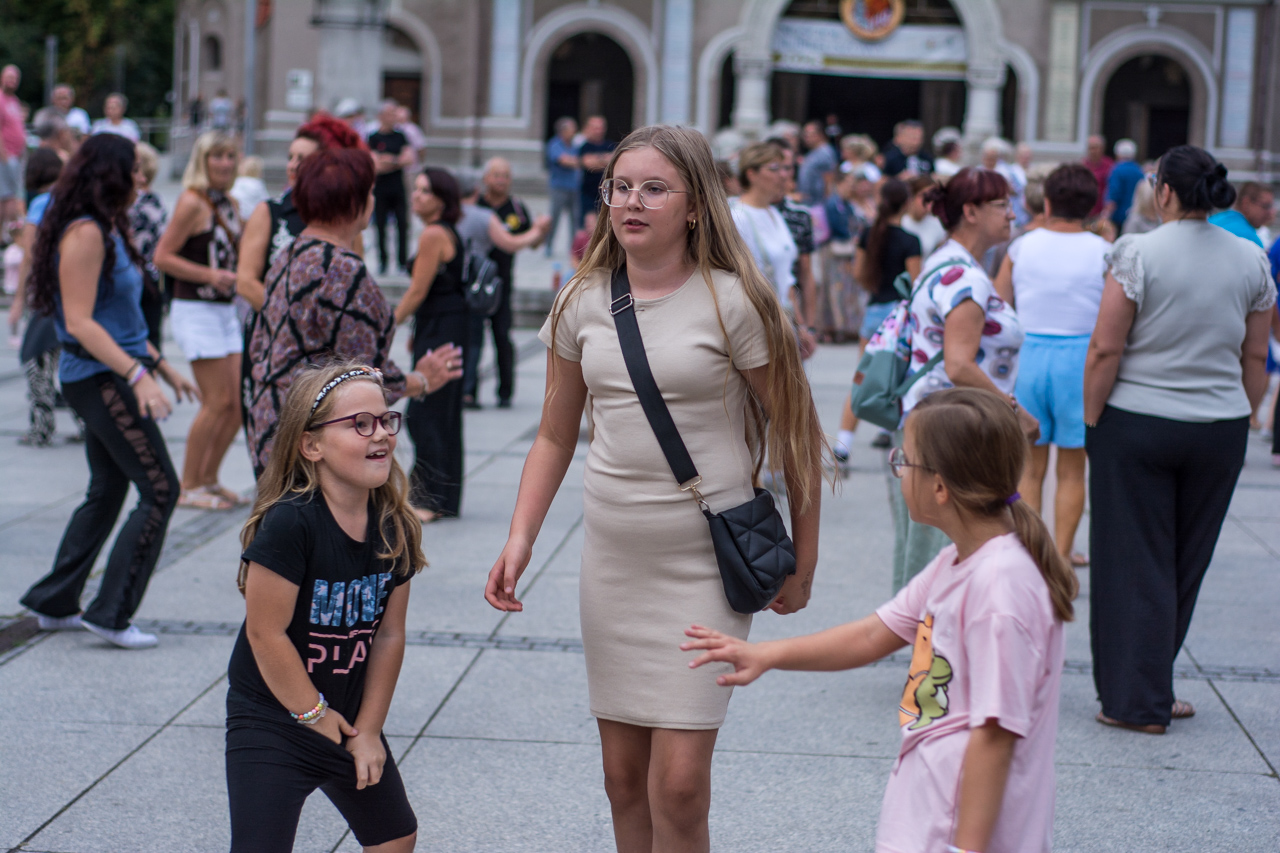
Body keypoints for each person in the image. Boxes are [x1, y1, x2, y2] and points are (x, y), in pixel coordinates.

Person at [486, 124, 825, 853]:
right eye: (621, 186)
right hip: (614, 560)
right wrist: (521, 536)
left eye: (654, 188)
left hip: (706, 558)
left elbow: (797, 434)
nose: (631, 201)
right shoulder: (581, 301)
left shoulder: (735, 301)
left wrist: (807, 556)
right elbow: (552, 434)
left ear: (696, 204)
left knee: (678, 782)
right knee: (621, 774)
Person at [683, 387, 1076, 853]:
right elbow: (875, 633)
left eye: (904, 461)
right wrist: (766, 655)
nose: (898, 470)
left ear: (940, 487)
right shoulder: (958, 563)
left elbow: (994, 737)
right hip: (929, 811)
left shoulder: (1000, 590)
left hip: (962, 832)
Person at [1084, 145, 1275, 734]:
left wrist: (1093, 421)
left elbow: (1106, 348)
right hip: (1216, 427)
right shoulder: (1249, 257)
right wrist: (1242, 416)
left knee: (1129, 560)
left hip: (1138, 419)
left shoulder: (1137, 252)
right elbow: (1254, 355)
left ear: (1163, 191)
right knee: (1183, 561)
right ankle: (1153, 685)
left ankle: (1134, 699)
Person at [226, 362, 421, 853]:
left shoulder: (394, 525)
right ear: (311, 445)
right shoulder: (290, 524)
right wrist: (312, 713)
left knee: (395, 838)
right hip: (274, 718)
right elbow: (263, 634)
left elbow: (389, 635)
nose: (379, 433)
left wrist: (370, 730)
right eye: (359, 424)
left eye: (384, 420)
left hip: (349, 719)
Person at [19, 134, 199, 649]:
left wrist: (161, 365)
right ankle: (111, 613)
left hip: (114, 371)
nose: (143, 179)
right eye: (136, 171)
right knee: (160, 489)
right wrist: (138, 377)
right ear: (111, 176)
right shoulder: (84, 233)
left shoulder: (108, 228)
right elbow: (78, 323)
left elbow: (118, 317)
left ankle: (55, 601)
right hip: (98, 377)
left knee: (109, 489)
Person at [243, 148, 458, 479]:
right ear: (357, 202)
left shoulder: (291, 252)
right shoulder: (341, 270)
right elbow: (362, 377)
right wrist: (422, 380)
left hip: (272, 423)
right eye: (370, 191)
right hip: (313, 440)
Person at [884, 167, 1038, 592]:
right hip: (954, 430)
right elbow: (959, 365)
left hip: (932, 423)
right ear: (970, 211)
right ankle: (936, 646)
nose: (1013, 214)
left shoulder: (944, 261)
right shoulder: (966, 277)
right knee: (946, 548)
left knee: (927, 546)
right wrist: (1016, 413)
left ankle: (926, 642)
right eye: (1002, 205)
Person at [994, 164, 1108, 568]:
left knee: (1031, 465)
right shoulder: (1104, 252)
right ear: (1092, 206)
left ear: (1046, 201)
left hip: (1030, 355)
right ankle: (1061, 555)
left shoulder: (1022, 246)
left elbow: (999, 307)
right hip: (1080, 360)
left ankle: (1030, 554)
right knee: (1074, 467)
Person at [154, 131, 244, 510]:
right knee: (216, 400)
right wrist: (209, 276)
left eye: (230, 156)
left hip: (226, 309)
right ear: (202, 161)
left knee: (238, 403)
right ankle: (188, 485)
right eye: (216, 156)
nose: (224, 163)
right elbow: (162, 256)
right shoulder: (192, 202)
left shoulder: (229, 203)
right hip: (196, 308)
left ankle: (209, 478)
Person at [394, 168, 469, 520]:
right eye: (416, 189)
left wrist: (387, 324)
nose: (417, 196)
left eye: (426, 191)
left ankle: (427, 499)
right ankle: (444, 497)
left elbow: (417, 291)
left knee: (426, 412)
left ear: (442, 198)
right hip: (447, 323)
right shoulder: (445, 230)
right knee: (444, 412)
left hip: (443, 326)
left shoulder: (433, 234)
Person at [236, 113, 366, 315]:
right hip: (274, 334)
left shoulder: (344, 220)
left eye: (302, 159)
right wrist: (294, 323)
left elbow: (355, 285)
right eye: (290, 157)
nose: (292, 166)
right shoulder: (269, 212)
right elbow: (245, 282)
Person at [833, 179, 923, 461]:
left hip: (874, 313)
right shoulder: (910, 240)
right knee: (901, 380)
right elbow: (914, 282)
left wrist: (874, 287)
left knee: (863, 377)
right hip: (899, 319)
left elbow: (859, 273)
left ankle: (843, 442)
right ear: (906, 203)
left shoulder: (869, 233)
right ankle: (893, 436)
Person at [455, 169, 548, 408]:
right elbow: (511, 241)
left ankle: (505, 391)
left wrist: (538, 232)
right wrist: (536, 232)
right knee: (473, 337)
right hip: (475, 282)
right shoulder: (479, 206)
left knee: (502, 337)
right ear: (483, 181)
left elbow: (531, 242)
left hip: (501, 284)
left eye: (506, 176)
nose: (501, 180)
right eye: (496, 175)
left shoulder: (516, 207)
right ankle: (469, 392)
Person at [10, 149, 65, 446]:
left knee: (36, 357)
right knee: (71, 356)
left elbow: (29, 256)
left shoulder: (42, 204)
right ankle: (87, 425)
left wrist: (19, 299)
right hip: (74, 291)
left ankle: (42, 426)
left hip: (48, 293)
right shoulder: (74, 199)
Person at [731, 143, 805, 347]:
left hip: (783, 322)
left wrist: (801, 325)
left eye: (785, 169)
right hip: (756, 325)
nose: (783, 176)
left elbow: (787, 277)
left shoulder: (774, 213)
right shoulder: (738, 216)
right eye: (774, 169)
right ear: (751, 174)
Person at [367, 100, 415, 276]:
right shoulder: (373, 137)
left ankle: (403, 262)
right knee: (380, 226)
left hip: (398, 188)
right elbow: (375, 165)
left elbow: (409, 159)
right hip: (380, 189)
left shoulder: (400, 136)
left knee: (402, 225)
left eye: (394, 113)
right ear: (380, 116)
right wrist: (396, 161)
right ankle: (383, 262)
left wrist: (390, 161)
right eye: (389, 113)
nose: (393, 117)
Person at [128, 142, 168, 349]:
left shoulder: (132, 202)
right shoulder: (156, 201)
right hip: (152, 277)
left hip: (133, 276)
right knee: (151, 337)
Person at [545, 116, 581, 255]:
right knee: (555, 218)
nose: (574, 132)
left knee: (575, 220)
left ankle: (574, 248)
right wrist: (582, 161)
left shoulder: (574, 146)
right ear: (563, 131)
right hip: (559, 187)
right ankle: (548, 245)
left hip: (574, 187)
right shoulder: (554, 144)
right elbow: (563, 160)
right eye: (572, 129)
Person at [1208, 181, 1275, 247]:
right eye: (1266, 206)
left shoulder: (1214, 220)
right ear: (1246, 204)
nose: (1271, 212)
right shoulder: (1249, 239)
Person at [0, 65, 25, 234]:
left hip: (16, 156)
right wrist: (4, 156)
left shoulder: (14, 101)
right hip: (5, 156)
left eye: (15, 78)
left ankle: (5, 234)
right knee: (5, 197)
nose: (12, 81)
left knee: (11, 196)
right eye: (9, 77)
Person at [577, 115, 616, 225]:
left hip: (607, 191)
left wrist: (597, 159)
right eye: (595, 127)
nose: (598, 131)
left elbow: (613, 162)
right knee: (589, 225)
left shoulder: (610, 145)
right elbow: (588, 164)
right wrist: (605, 159)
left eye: (600, 127)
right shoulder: (585, 146)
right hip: (588, 193)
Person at [901, 175, 947, 257]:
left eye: (932, 197)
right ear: (912, 197)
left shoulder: (937, 224)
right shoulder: (901, 222)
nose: (928, 201)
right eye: (923, 195)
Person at [1106, 139, 1144, 233]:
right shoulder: (1139, 171)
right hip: (1134, 217)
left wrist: (1105, 215)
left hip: (1118, 218)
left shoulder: (1117, 170)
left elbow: (1114, 195)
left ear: (1117, 154)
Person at [796, 120, 838, 205]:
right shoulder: (813, 152)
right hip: (807, 202)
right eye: (805, 135)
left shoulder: (825, 152)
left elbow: (829, 178)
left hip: (818, 203)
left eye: (809, 134)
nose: (806, 138)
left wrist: (828, 204)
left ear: (820, 135)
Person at [1082, 134, 1113, 218]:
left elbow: (1112, 189)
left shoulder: (1110, 166)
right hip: (1085, 210)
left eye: (1095, 148)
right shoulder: (1083, 165)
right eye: (1090, 148)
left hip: (1102, 212)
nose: (1093, 151)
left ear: (1102, 148)